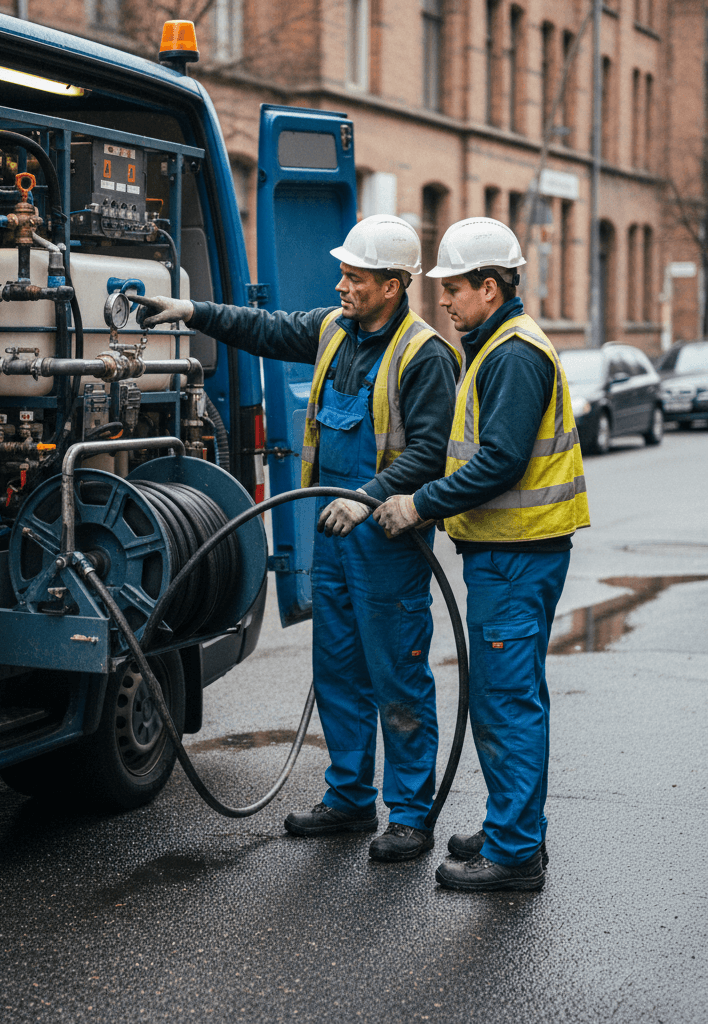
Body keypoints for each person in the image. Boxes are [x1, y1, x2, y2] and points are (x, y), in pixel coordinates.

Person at [134, 215, 461, 861]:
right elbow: (265, 327)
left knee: (397, 677)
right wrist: (192, 311)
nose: (341, 285)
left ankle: (410, 816)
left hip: (386, 540)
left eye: (355, 277)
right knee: (337, 670)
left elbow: (430, 452)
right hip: (333, 537)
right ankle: (349, 798)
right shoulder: (333, 329)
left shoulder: (424, 355)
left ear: (393, 285)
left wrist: (366, 497)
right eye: (343, 274)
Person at [374, 216, 589, 891]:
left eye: (454, 287)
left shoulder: (514, 355)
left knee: (505, 703)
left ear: (490, 287)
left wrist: (419, 503)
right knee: (512, 696)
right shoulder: (496, 345)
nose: (443, 299)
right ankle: (513, 827)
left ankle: (515, 853)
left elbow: (499, 461)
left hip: (516, 557)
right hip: (510, 554)